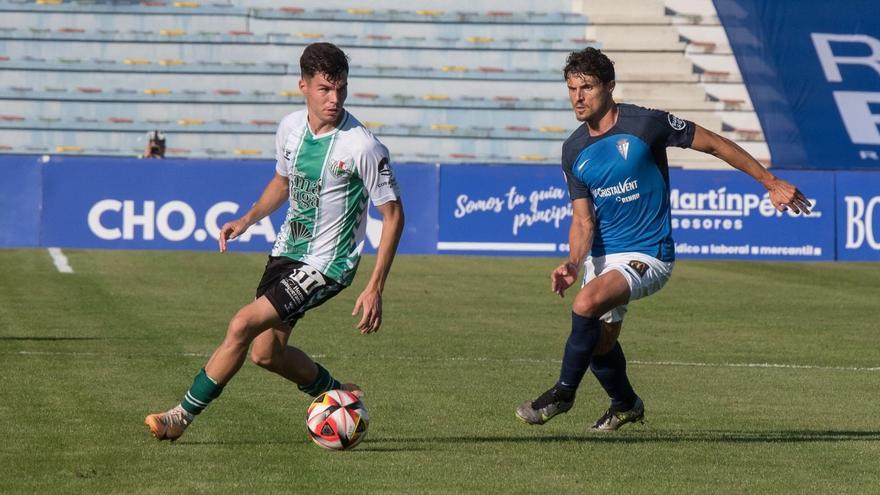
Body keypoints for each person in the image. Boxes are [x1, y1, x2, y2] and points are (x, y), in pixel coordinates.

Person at [515, 47, 811, 431]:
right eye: (572, 88)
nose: (578, 97)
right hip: (602, 259)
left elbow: (715, 143)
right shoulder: (573, 150)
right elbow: (583, 220)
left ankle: (562, 395)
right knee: (597, 343)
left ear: (609, 87)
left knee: (585, 305)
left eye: (587, 87)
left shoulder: (646, 124)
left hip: (649, 253)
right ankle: (625, 404)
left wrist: (770, 182)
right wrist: (573, 263)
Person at [145, 42, 405, 441]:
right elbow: (283, 182)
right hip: (287, 252)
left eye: (341, 89)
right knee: (266, 354)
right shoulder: (289, 128)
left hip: (327, 263)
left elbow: (393, 215)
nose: (334, 99)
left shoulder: (363, 147)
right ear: (303, 85)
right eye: (324, 89)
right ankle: (338, 393)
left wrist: (375, 287)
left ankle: (179, 417)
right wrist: (247, 219)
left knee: (241, 324)